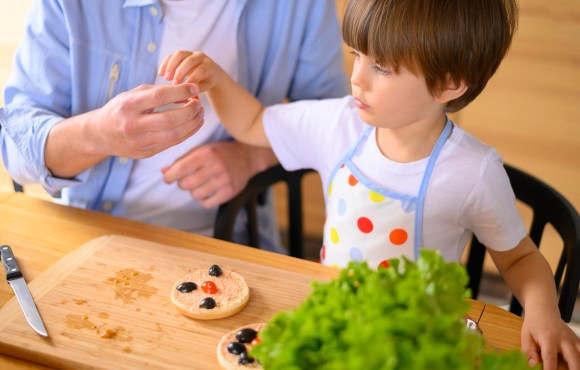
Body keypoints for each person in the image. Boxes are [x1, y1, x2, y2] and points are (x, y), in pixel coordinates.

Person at [159, 0, 580, 368]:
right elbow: (253, 123)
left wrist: (545, 314)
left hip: (417, 343)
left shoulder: (473, 172)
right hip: (338, 326)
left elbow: (520, 258)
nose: (357, 77)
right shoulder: (337, 124)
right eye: (357, 54)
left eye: (381, 66)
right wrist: (214, 79)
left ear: (448, 83)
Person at [0, 0, 348, 253]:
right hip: (87, 236)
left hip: (230, 239)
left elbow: (333, 120)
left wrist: (252, 157)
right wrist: (98, 135)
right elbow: (15, 148)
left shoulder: (301, 7)